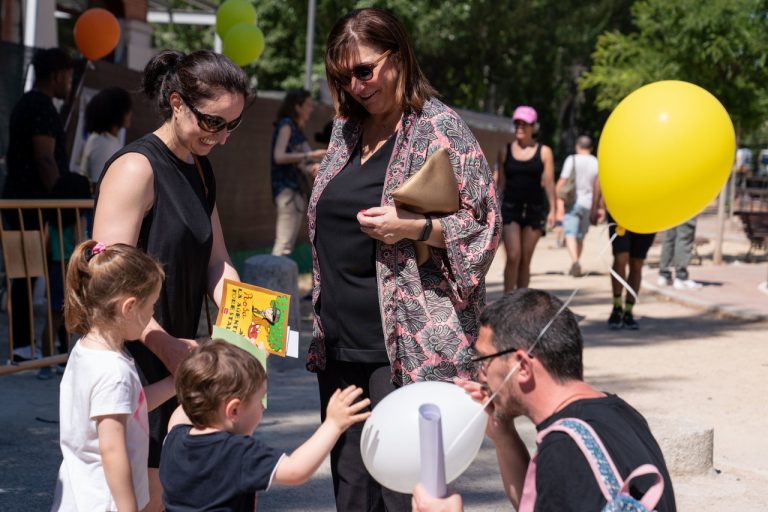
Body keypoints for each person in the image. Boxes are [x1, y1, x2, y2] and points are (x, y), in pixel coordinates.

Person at [310, 8, 500, 510]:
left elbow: (485, 229)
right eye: (342, 75)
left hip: (406, 348)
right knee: (351, 491)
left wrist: (413, 227)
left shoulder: (441, 131)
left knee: (404, 490)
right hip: (339, 342)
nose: (355, 84)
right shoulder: (345, 130)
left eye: (364, 70)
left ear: (398, 57)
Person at [92, 50, 250, 511]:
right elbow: (107, 287)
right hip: (136, 358)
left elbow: (216, 260)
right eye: (214, 122)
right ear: (177, 102)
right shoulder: (134, 169)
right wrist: (166, 347)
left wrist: (245, 323)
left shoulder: (201, 167)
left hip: (177, 355)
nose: (221, 138)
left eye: (232, 126)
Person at [412, 289, 676, 512]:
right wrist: (503, 435)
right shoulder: (619, 411)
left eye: (485, 361)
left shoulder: (566, 452)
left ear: (523, 367)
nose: (480, 374)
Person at [160, 340, 371, 511]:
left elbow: (185, 407)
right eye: (260, 400)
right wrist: (333, 425)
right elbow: (296, 470)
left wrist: (250, 365)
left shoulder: (175, 437)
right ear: (233, 410)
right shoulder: (236, 453)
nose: (262, 408)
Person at [51, 240, 176, 511]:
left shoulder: (86, 350)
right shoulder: (113, 373)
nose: (153, 313)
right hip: (105, 502)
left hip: (83, 493)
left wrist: (174, 383)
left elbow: (134, 403)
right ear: (129, 307)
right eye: (151, 306)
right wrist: (128, 507)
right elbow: (112, 450)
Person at [2, 47, 74, 359]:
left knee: (27, 273)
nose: (69, 83)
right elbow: (45, 157)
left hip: (22, 203)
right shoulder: (40, 106)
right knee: (25, 272)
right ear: (57, 75)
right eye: (68, 77)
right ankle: (21, 345)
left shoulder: (29, 103)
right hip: (27, 206)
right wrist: (62, 193)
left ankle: (24, 343)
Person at [496, 105, 556, 291]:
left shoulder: (544, 152)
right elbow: (499, 183)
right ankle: (507, 303)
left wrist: (554, 209)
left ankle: (521, 305)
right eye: (517, 123)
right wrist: (492, 208)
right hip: (510, 208)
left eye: (524, 123)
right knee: (513, 255)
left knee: (525, 259)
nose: (520, 127)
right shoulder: (505, 150)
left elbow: (549, 182)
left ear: (533, 126)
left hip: (534, 209)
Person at [271, 89, 326, 256]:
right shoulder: (287, 124)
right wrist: (312, 155)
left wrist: (315, 165)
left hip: (296, 191)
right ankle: (270, 281)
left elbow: (303, 163)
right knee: (283, 245)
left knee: (287, 245)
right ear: (297, 106)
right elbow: (279, 156)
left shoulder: (296, 128)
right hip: (287, 190)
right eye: (308, 104)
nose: (311, 108)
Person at [556, 135, 598, 277]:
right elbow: (598, 186)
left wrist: (558, 202)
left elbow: (562, 182)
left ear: (577, 146)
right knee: (580, 236)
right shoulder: (595, 162)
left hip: (572, 202)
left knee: (570, 234)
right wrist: (598, 208)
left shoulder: (571, 159)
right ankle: (577, 261)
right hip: (588, 203)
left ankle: (574, 262)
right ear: (591, 148)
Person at [79, 87, 133, 185]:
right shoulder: (101, 143)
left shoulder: (108, 140)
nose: (130, 114)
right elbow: (99, 185)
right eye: (127, 110)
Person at [657, 217, 702, 289]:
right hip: (686, 208)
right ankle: (681, 278)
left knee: (669, 237)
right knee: (684, 238)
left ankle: (664, 275)